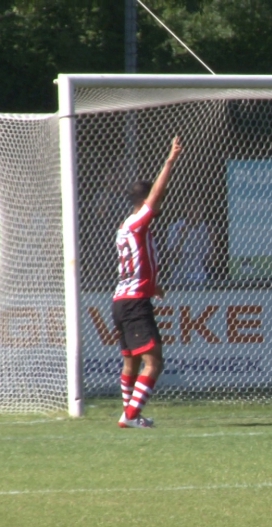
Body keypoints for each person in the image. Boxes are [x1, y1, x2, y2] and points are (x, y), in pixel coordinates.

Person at [113, 136, 183, 429]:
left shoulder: (125, 228)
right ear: (143, 203)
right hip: (134, 302)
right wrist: (170, 160)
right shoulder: (139, 222)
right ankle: (131, 416)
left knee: (131, 362)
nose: (159, 206)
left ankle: (128, 414)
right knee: (154, 362)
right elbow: (156, 194)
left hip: (122, 299)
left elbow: (136, 264)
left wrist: (153, 284)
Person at [164, 204, 213, 290]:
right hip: (179, 276)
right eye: (194, 209)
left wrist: (213, 240)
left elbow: (210, 261)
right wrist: (182, 237)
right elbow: (174, 258)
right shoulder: (175, 227)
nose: (197, 213)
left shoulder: (203, 228)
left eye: (200, 210)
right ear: (186, 211)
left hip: (199, 275)